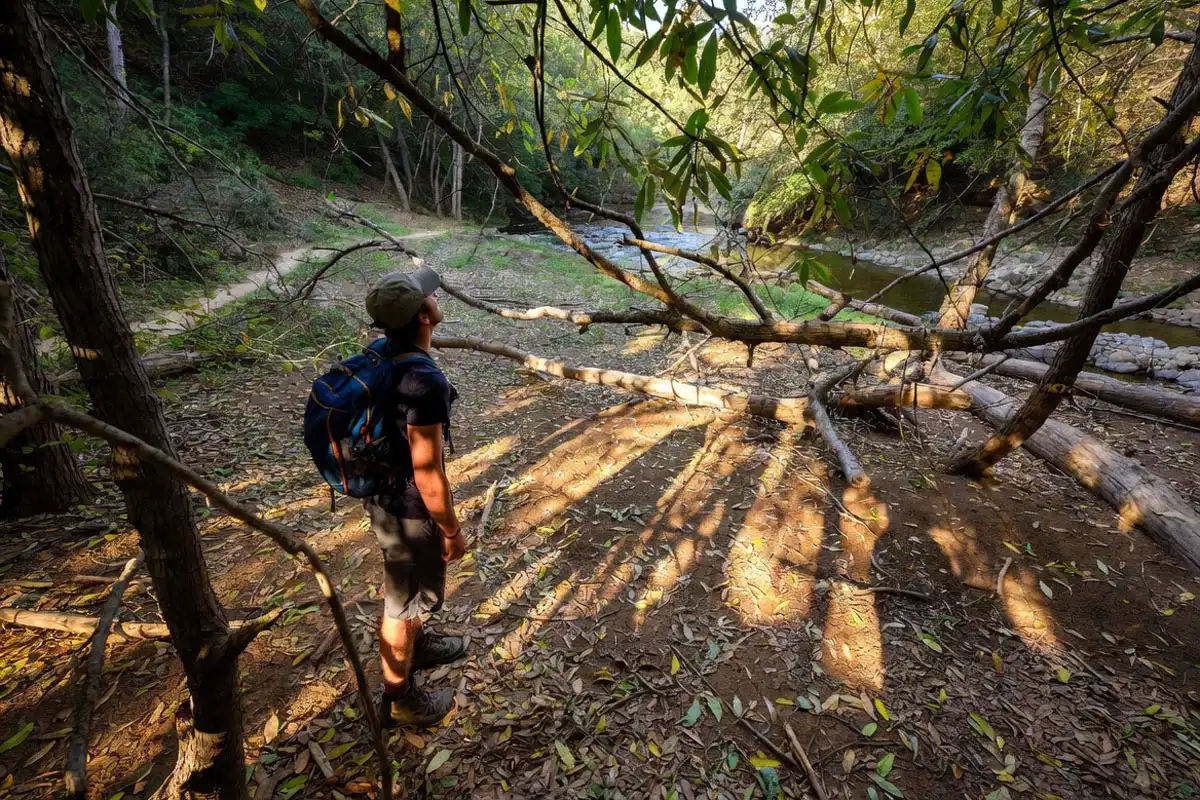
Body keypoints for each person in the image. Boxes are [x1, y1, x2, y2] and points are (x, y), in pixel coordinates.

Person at [363, 267, 468, 728]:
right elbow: (428, 474)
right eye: (430, 296)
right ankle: (400, 699)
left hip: (382, 493)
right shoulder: (423, 382)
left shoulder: (379, 352)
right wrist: (452, 529)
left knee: (410, 598)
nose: (435, 298)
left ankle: (418, 646)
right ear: (424, 316)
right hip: (408, 508)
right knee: (402, 606)